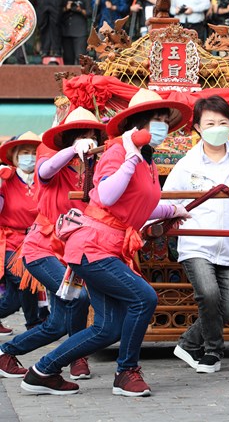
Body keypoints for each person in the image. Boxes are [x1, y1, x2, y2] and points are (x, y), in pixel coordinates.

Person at [21, 89, 192, 397]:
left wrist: (172, 209)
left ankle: (41, 371)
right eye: (156, 120)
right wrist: (127, 152)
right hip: (93, 246)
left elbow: (137, 206)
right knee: (144, 298)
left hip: (111, 247)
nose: (162, 128)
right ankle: (126, 371)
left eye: (166, 122)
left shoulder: (148, 163)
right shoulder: (117, 152)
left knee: (107, 328)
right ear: (138, 125)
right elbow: (108, 197)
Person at [0, 107, 105, 381]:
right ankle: (76, 357)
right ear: (70, 138)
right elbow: (46, 170)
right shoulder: (51, 161)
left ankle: (6, 353)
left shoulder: (96, 169)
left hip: (75, 251)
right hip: (41, 249)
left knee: (57, 324)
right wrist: (73, 150)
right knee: (78, 298)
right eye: (82, 135)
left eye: (93, 135)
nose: (89, 141)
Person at [163, 95, 229, 374]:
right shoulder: (187, 164)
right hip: (197, 243)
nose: (217, 127)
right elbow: (169, 200)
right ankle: (212, 352)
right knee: (208, 294)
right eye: (210, 123)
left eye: (223, 122)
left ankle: (187, 343)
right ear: (197, 127)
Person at [0, 132, 43, 336]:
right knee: (25, 279)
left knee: (13, 298)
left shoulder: (42, 179)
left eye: (35, 152)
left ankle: (35, 322)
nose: (31, 157)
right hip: (9, 242)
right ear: (15, 157)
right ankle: (33, 324)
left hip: (35, 241)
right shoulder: (5, 179)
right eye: (25, 153)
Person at [61, 0, 91, 65]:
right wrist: (66, 8)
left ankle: (81, 79)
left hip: (80, 33)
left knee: (81, 58)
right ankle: (69, 79)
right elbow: (57, 13)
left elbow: (90, 13)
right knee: (67, 58)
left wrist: (80, 10)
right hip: (66, 31)